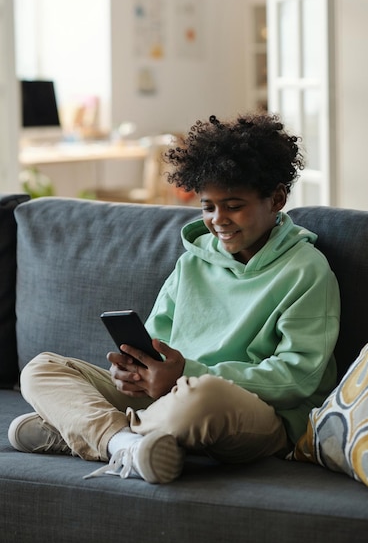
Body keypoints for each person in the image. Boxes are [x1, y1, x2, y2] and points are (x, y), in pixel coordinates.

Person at [8, 113, 340, 484]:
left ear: (276, 198)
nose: (218, 219)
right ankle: (123, 443)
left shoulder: (306, 270)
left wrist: (187, 374)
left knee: (203, 397)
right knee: (42, 369)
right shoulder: (192, 263)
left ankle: (84, 431)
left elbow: (299, 377)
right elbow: (155, 344)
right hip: (167, 397)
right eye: (208, 206)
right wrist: (136, 372)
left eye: (233, 205)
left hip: (251, 412)